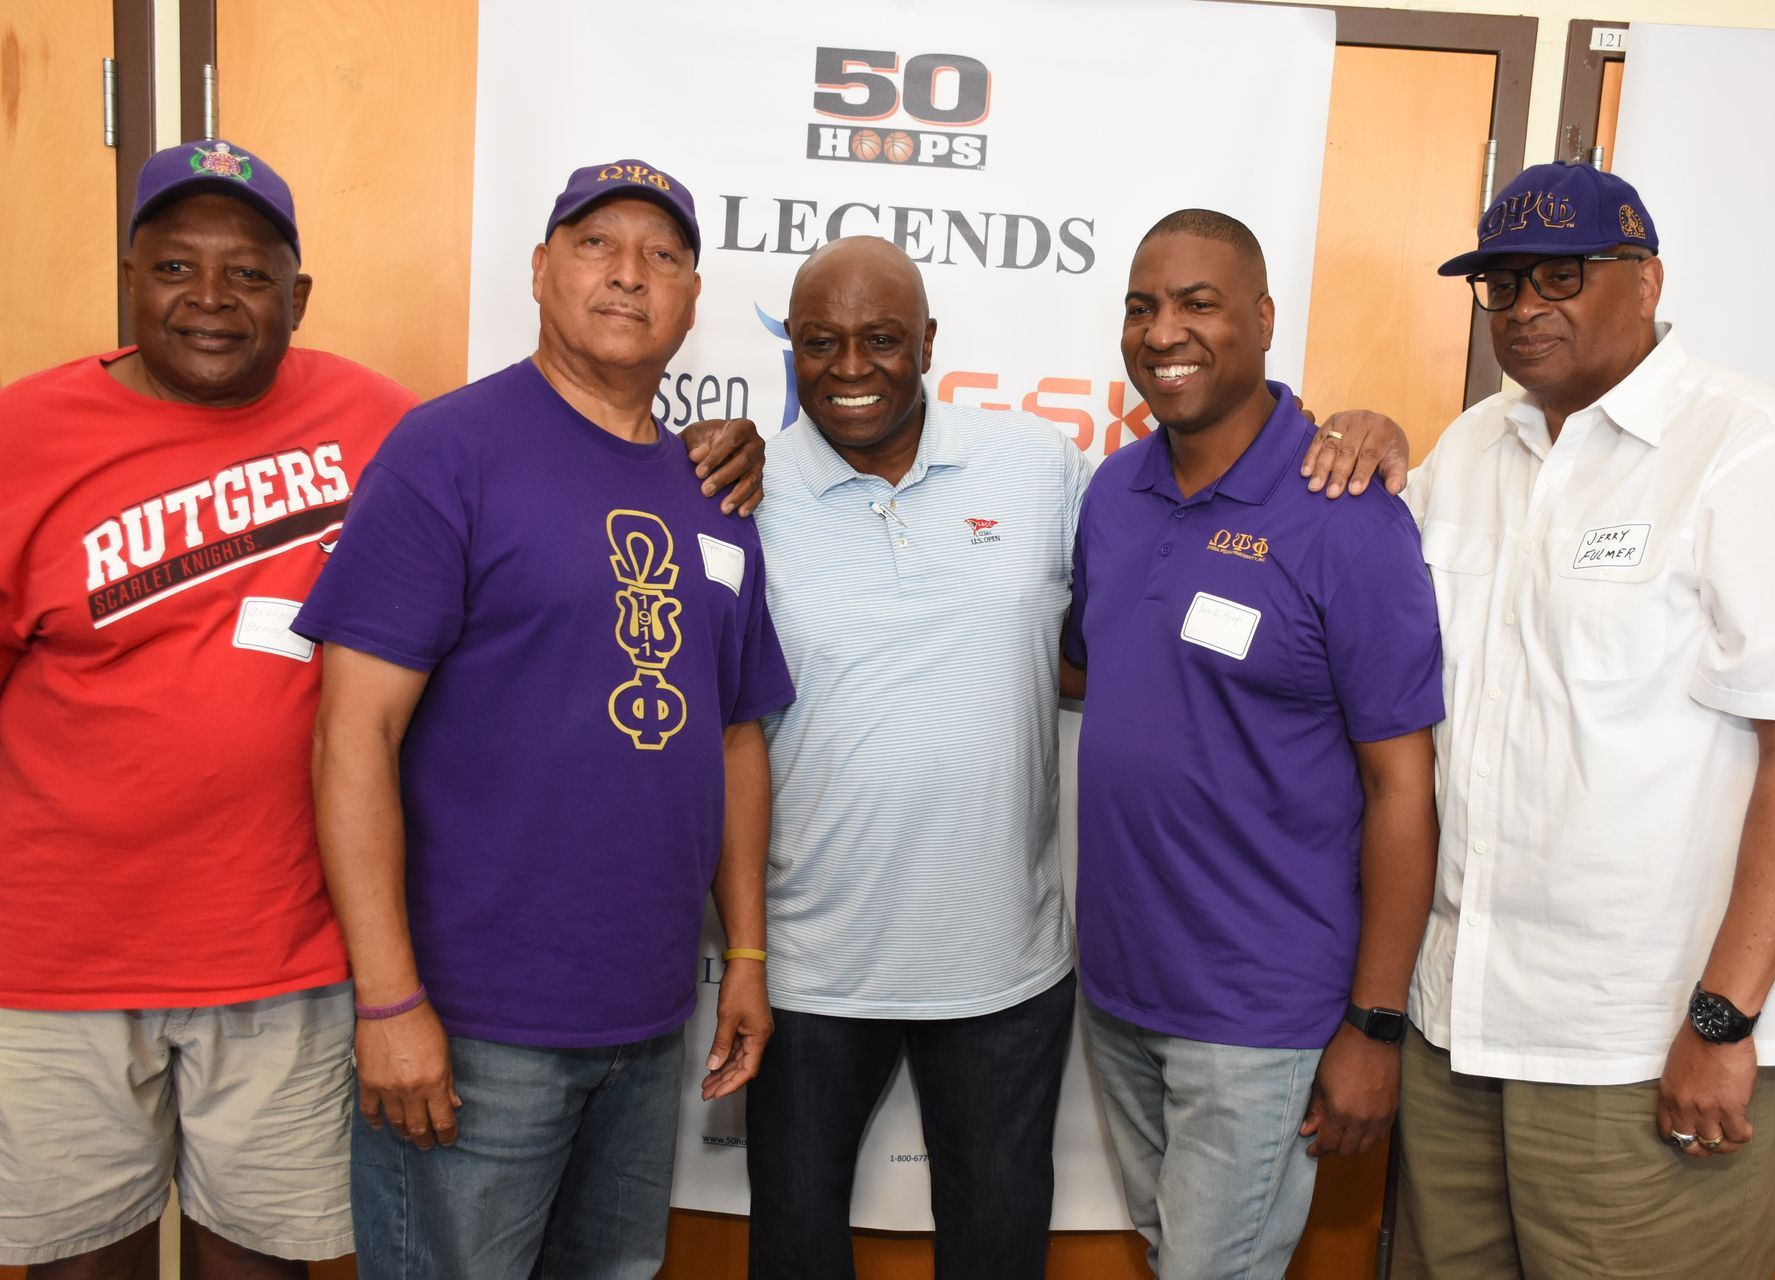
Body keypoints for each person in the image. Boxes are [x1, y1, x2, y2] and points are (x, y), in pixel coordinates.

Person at [1308, 161, 1775, 1278]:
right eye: (1503, 284)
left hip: (1646, 1047)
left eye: (1562, 275)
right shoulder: (1474, 449)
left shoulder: (1755, 454)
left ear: (1646, 278)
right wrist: (1368, 431)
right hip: (1460, 1036)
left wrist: (1723, 1022)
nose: (1527, 308)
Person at [293, 158, 792, 1279]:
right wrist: (389, 998)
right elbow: (351, 736)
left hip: (646, 1017)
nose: (628, 274)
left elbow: (734, 734)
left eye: (663, 255)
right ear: (538, 268)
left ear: (694, 297)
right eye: (595, 244)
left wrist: (747, 951)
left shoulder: (712, 488)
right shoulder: (446, 451)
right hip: (472, 1025)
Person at [0, 139, 412, 1278]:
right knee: (85, 1264)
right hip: (57, 962)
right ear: (129, 277)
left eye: (249, 273)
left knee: (263, 1265)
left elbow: (535, 494)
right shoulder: (20, 436)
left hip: (282, 950)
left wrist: (692, 463)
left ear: (299, 294)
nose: (213, 300)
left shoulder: (380, 421)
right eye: (177, 268)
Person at [1061, 209, 1446, 1278]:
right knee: (1170, 1253)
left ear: (1265, 318)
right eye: (1142, 306)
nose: (1163, 330)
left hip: (1263, 1008)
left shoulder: (1345, 512)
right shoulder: (1113, 493)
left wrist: (1374, 1021)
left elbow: (1402, 787)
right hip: (1123, 992)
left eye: (1198, 303)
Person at [743, 236, 1085, 1279]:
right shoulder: (738, 491)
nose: (851, 366)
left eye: (882, 338)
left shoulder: (1040, 468)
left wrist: (1319, 424)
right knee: (793, 1253)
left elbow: (1183, 507)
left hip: (1002, 965)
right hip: (806, 970)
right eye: (820, 341)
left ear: (929, 342)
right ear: (790, 350)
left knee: (997, 1253)